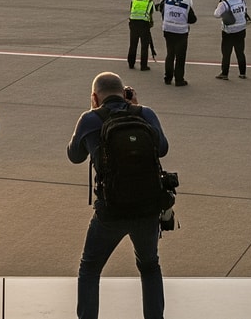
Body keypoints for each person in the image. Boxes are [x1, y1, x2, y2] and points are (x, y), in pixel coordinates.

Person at [67, 71, 169, 319]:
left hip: (110, 211)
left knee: (90, 268)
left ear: (95, 97)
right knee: (149, 266)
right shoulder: (145, 113)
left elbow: (74, 156)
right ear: (124, 93)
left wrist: (92, 115)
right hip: (147, 207)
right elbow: (163, 149)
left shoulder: (89, 119)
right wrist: (136, 109)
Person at [158, 0, 196, 87]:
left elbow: (161, 10)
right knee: (180, 57)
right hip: (181, 33)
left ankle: (168, 78)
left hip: (168, 31)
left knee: (170, 54)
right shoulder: (186, 4)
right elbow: (193, 19)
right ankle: (179, 80)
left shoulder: (166, 1)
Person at [213, 0, 248, 80]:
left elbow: (216, 14)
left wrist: (220, 4)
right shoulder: (242, 1)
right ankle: (242, 73)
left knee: (226, 53)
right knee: (240, 52)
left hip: (229, 32)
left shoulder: (224, 4)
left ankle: (224, 73)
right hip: (241, 30)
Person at [127, 0, 155, 71]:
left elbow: (131, 10)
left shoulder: (134, 1)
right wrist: (151, 23)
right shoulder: (149, 2)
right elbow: (150, 14)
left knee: (133, 44)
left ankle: (131, 63)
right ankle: (143, 66)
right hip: (143, 24)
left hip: (133, 24)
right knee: (144, 46)